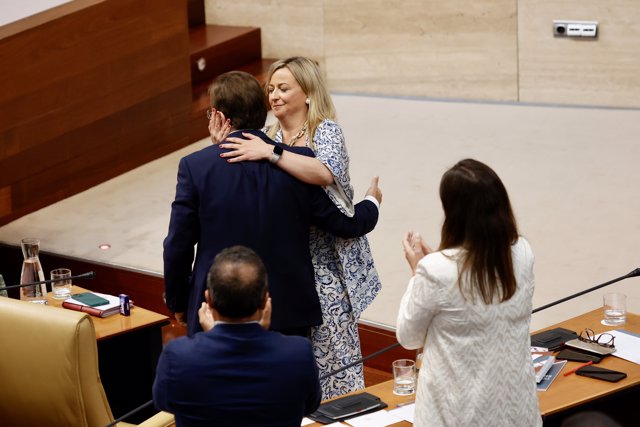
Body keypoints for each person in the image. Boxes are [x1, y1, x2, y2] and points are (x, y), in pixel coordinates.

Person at [163, 70, 382, 339]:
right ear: (263, 110)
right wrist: (372, 201)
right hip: (285, 313)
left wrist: (178, 300)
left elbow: (178, 245)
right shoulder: (297, 161)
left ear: (218, 116)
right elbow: (344, 224)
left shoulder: (196, 167)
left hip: (215, 307)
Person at [210, 56, 380, 398]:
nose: (274, 95)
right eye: (270, 88)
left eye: (283, 88)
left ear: (308, 92)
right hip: (286, 264)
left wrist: (271, 152)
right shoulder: (269, 135)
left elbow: (323, 172)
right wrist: (222, 147)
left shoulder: (325, 130)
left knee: (334, 365)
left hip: (324, 265)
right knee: (291, 374)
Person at [396, 159, 541, 427]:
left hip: (458, 415)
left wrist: (418, 273)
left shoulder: (435, 270)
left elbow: (409, 336)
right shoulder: (523, 252)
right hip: (518, 412)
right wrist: (436, 263)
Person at [153, 245, 322, 427]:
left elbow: (164, 402)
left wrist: (213, 336)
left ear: (208, 300)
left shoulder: (178, 356)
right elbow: (310, 404)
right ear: (265, 300)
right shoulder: (298, 353)